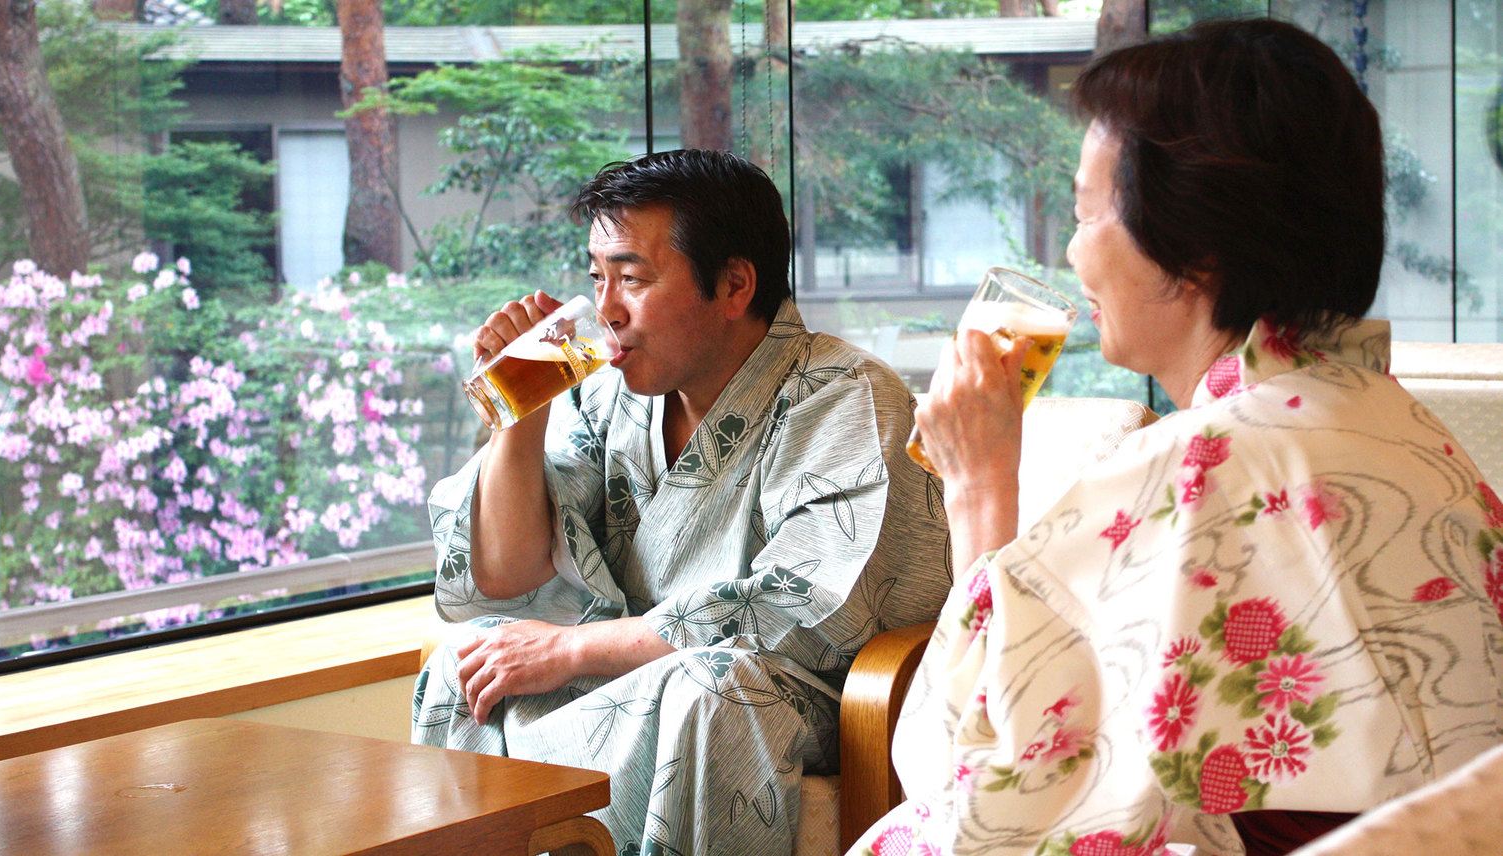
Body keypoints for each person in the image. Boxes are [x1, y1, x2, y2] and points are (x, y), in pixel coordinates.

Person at [853, 18, 1503, 856]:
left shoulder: (1204, 462)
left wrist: (978, 488)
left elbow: (976, 779)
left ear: (1191, 250)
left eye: (1087, 215)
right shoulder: (1409, 434)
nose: (1071, 254)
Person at [412, 149, 952, 855]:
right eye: (596, 278)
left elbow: (809, 607)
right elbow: (507, 575)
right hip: (630, 672)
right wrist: (520, 416)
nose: (605, 311)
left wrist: (575, 649)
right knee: (466, 660)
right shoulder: (606, 396)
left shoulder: (844, 394)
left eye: (631, 278)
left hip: (795, 695)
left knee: (712, 690)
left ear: (733, 285)